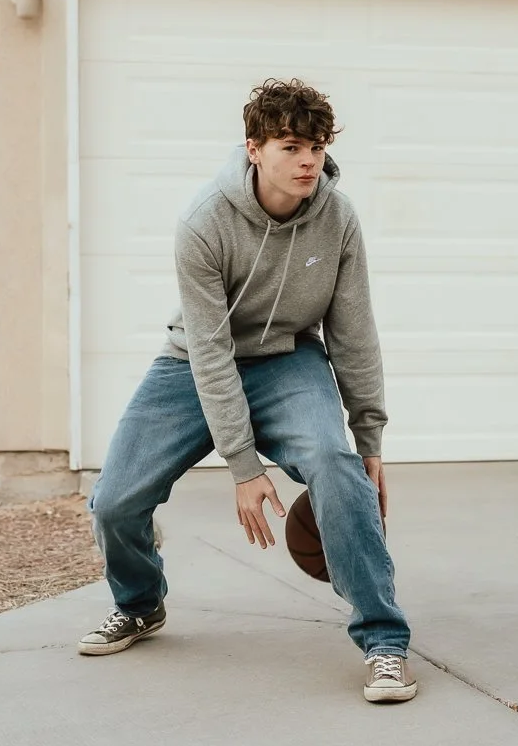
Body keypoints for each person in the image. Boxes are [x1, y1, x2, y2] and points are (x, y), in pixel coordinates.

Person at [80, 78, 416, 703]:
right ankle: (139, 604)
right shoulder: (204, 221)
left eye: (317, 147)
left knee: (337, 466)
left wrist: (368, 439)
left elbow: (353, 333)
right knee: (115, 503)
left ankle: (384, 640)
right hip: (193, 364)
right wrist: (243, 465)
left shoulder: (338, 219)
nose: (309, 161)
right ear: (254, 149)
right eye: (291, 146)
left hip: (288, 360)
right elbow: (210, 350)